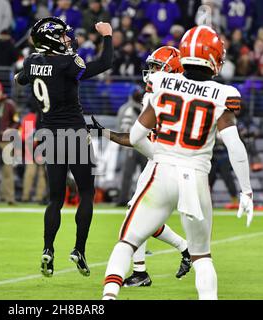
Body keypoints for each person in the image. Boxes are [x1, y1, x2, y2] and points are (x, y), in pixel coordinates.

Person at [101, 26, 253, 300]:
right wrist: (246, 191)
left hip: (160, 172)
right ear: (216, 58)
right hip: (194, 178)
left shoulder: (161, 83)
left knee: (126, 242)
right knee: (202, 257)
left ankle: (108, 298)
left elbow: (136, 136)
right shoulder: (222, 93)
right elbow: (234, 146)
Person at [15, 17, 113, 277]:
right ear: (51, 40)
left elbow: (20, 79)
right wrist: (108, 36)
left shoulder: (31, 61)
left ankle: (48, 249)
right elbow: (105, 63)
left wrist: (30, 72)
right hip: (74, 132)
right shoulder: (67, 63)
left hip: (49, 134)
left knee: (55, 199)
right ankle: (78, 249)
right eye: (62, 37)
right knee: (86, 192)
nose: (67, 40)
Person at [91, 46, 192, 287]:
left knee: (138, 217)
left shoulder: (163, 97)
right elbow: (140, 140)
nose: (151, 72)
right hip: (165, 160)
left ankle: (175, 255)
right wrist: (106, 133)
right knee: (139, 215)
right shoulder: (163, 94)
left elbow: (139, 140)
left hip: (172, 162)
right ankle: (148, 268)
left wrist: (108, 134)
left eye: (157, 67)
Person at [0, 79, 19, 205]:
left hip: (6, 142)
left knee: (8, 171)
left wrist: (11, 129)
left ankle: (10, 198)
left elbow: (17, 120)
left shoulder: (9, 104)